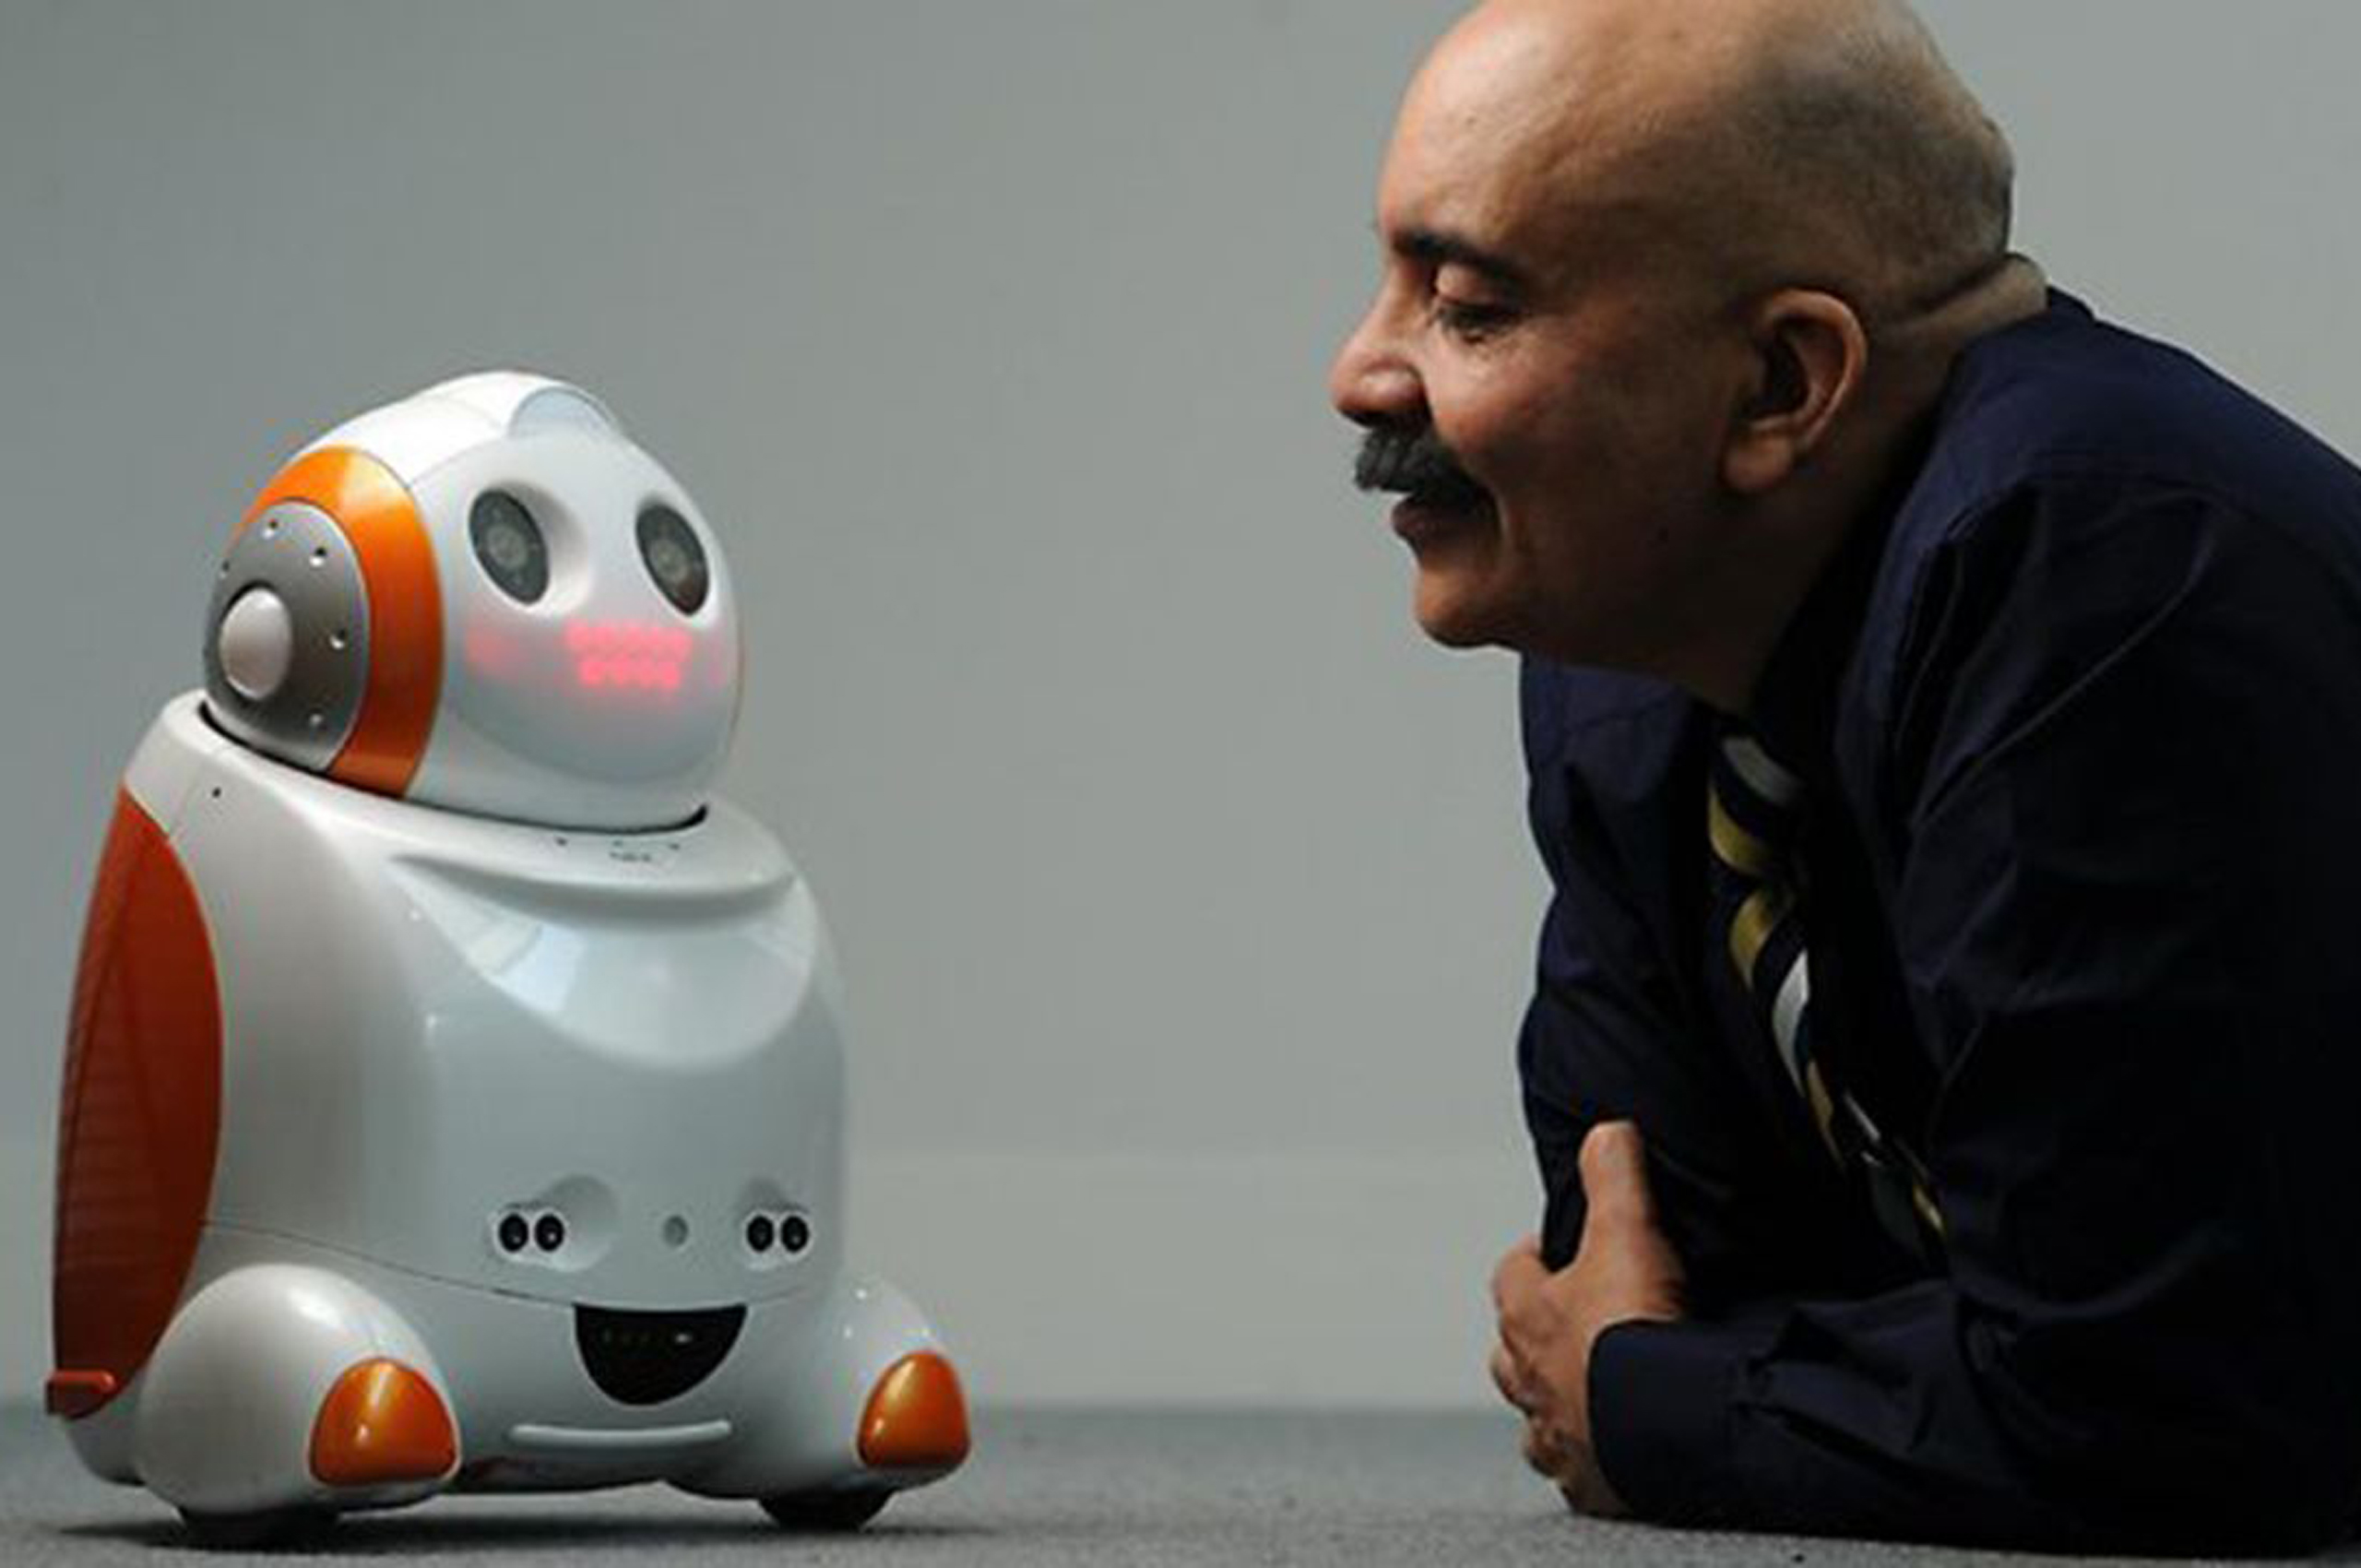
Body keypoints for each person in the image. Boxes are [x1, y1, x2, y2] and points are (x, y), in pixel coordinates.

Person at [1328, 0, 2361, 1551]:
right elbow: (1663, 1270)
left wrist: (1648, 1403)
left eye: (1470, 308)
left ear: (1780, 383)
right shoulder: (1635, 648)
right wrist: (1725, 1372)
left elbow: (2152, 1409)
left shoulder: (2099, 573)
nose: (1359, 373)